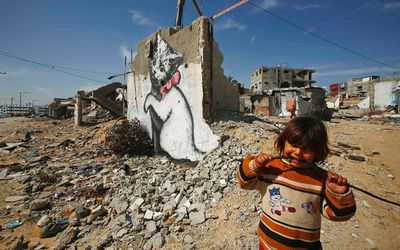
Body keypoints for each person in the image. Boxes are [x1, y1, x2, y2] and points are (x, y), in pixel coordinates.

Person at [237, 116, 356, 249]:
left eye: (307, 149)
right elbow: (244, 182)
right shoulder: (271, 169)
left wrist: (339, 194)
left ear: (318, 151)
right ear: (283, 142)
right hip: (268, 246)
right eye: (293, 145)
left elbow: (337, 215)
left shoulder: (321, 179)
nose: (298, 152)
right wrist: (255, 164)